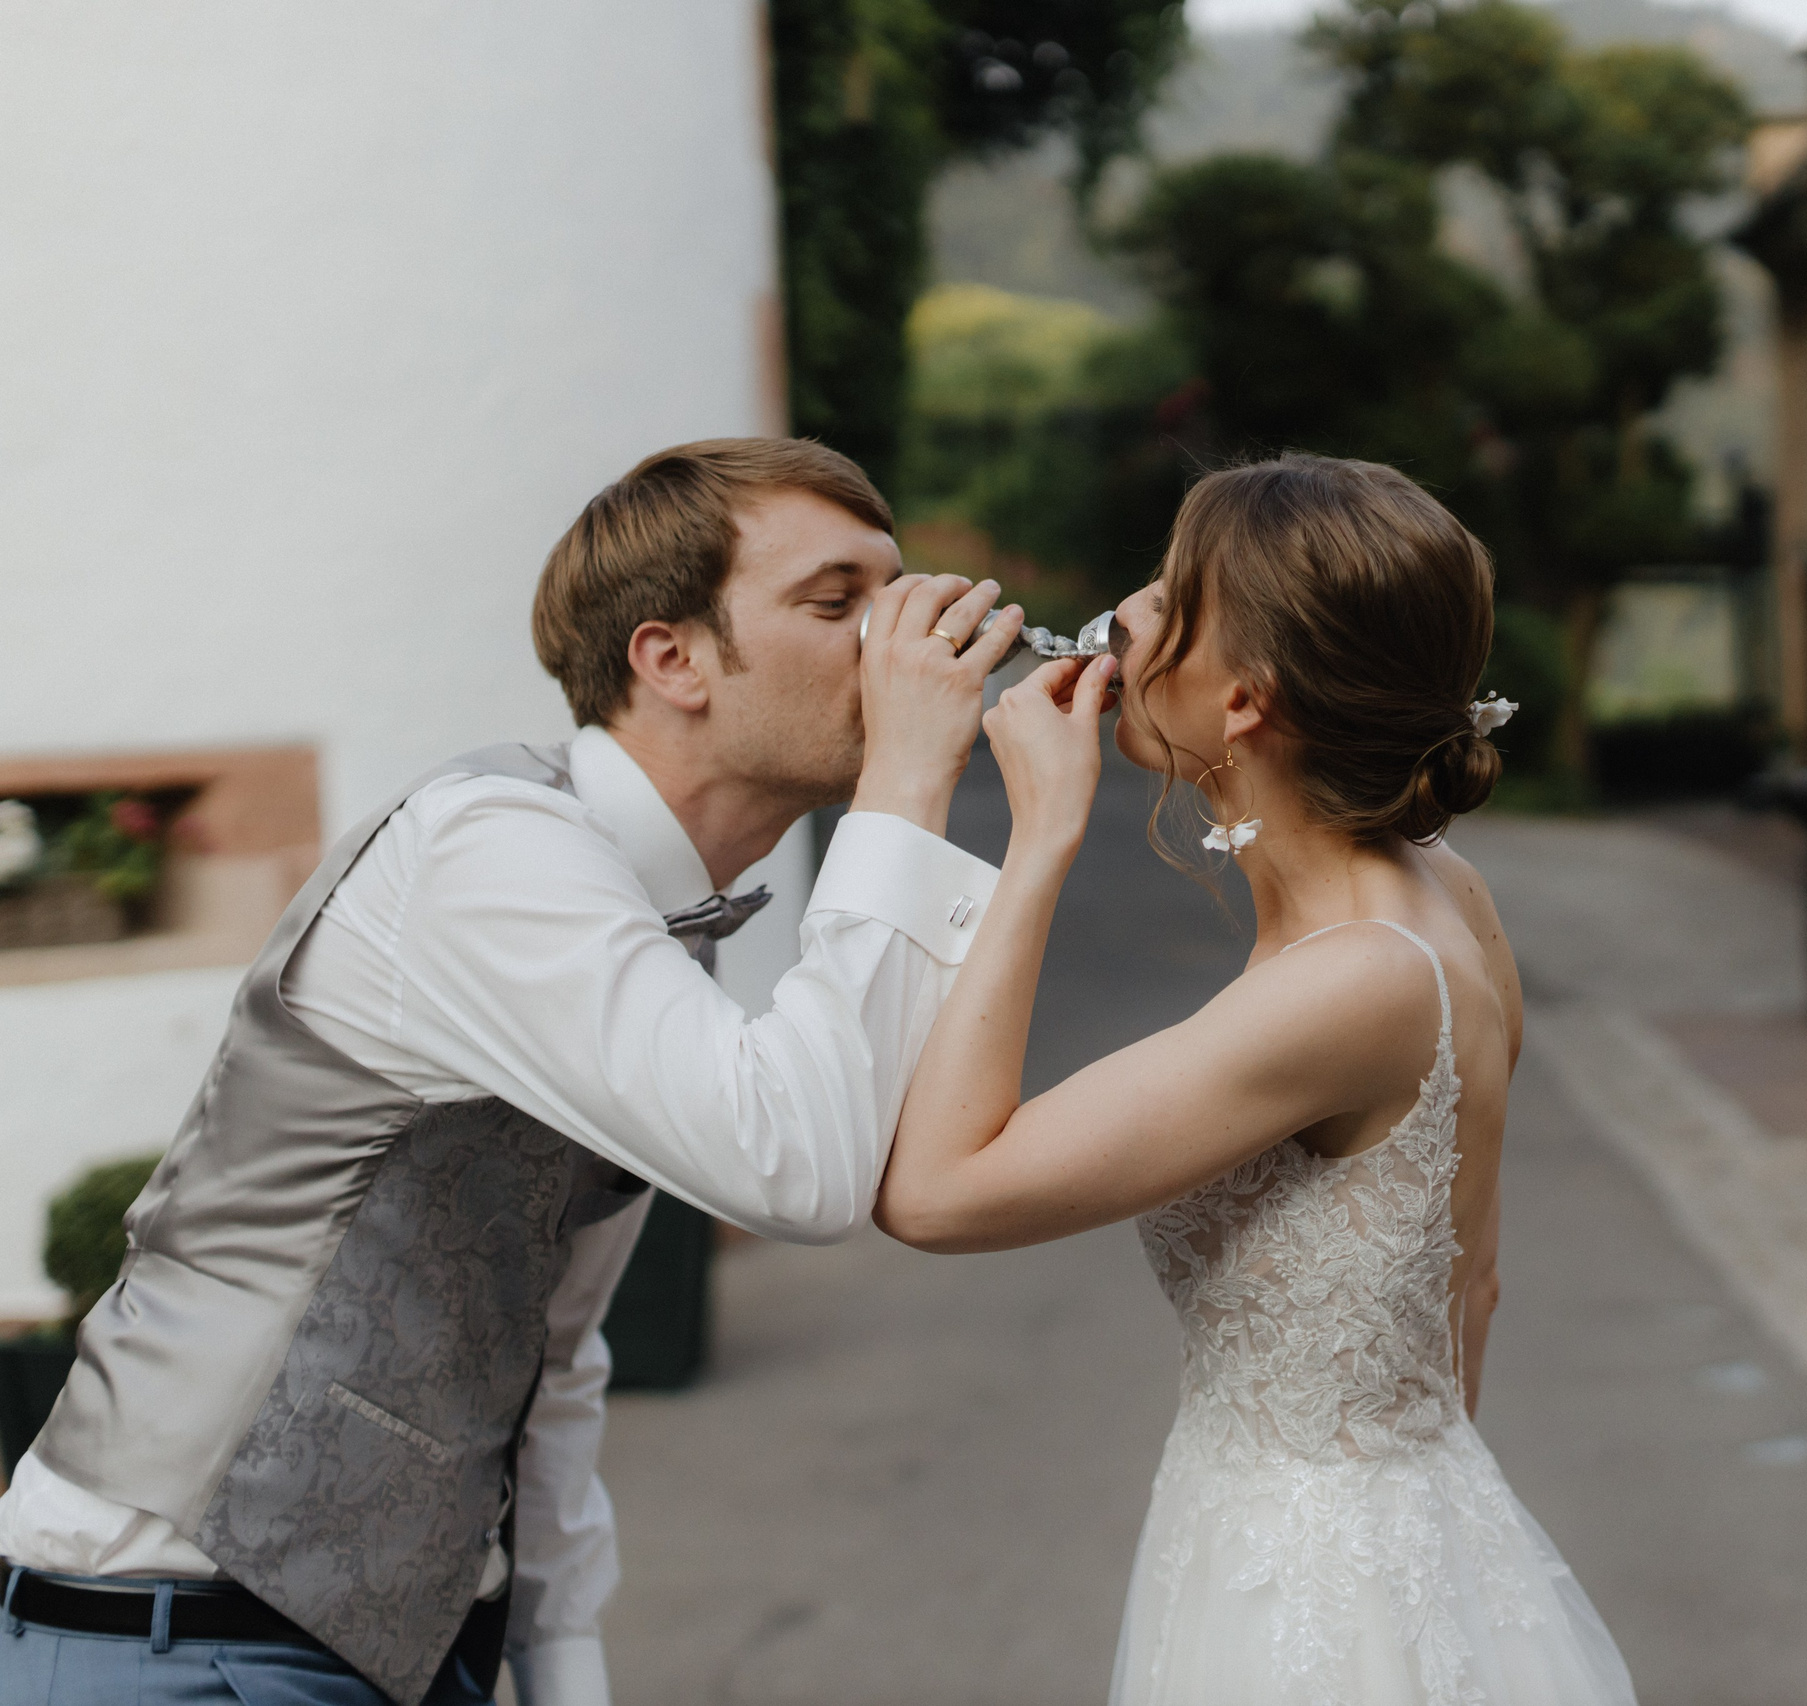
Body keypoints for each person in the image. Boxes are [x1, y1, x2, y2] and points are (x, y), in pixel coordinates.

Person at [0, 439, 1021, 1706]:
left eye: (897, 587)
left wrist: (562, 1665)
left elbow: (554, 1347)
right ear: (672, 658)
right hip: (172, 1640)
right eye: (837, 601)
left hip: (409, 1656)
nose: (898, 637)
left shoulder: (646, 930)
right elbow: (796, 1169)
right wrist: (908, 782)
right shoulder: (492, 848)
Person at [874, 454, 1638, 1705]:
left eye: (1172, 594)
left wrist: (1037, 838)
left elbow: (940, 1190)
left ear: (1244, 703)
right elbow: (1474, 1283)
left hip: (1302, 1599)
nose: (1125, 609)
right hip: (1388, 1537)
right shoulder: (1445, 885)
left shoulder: (1356, 982)